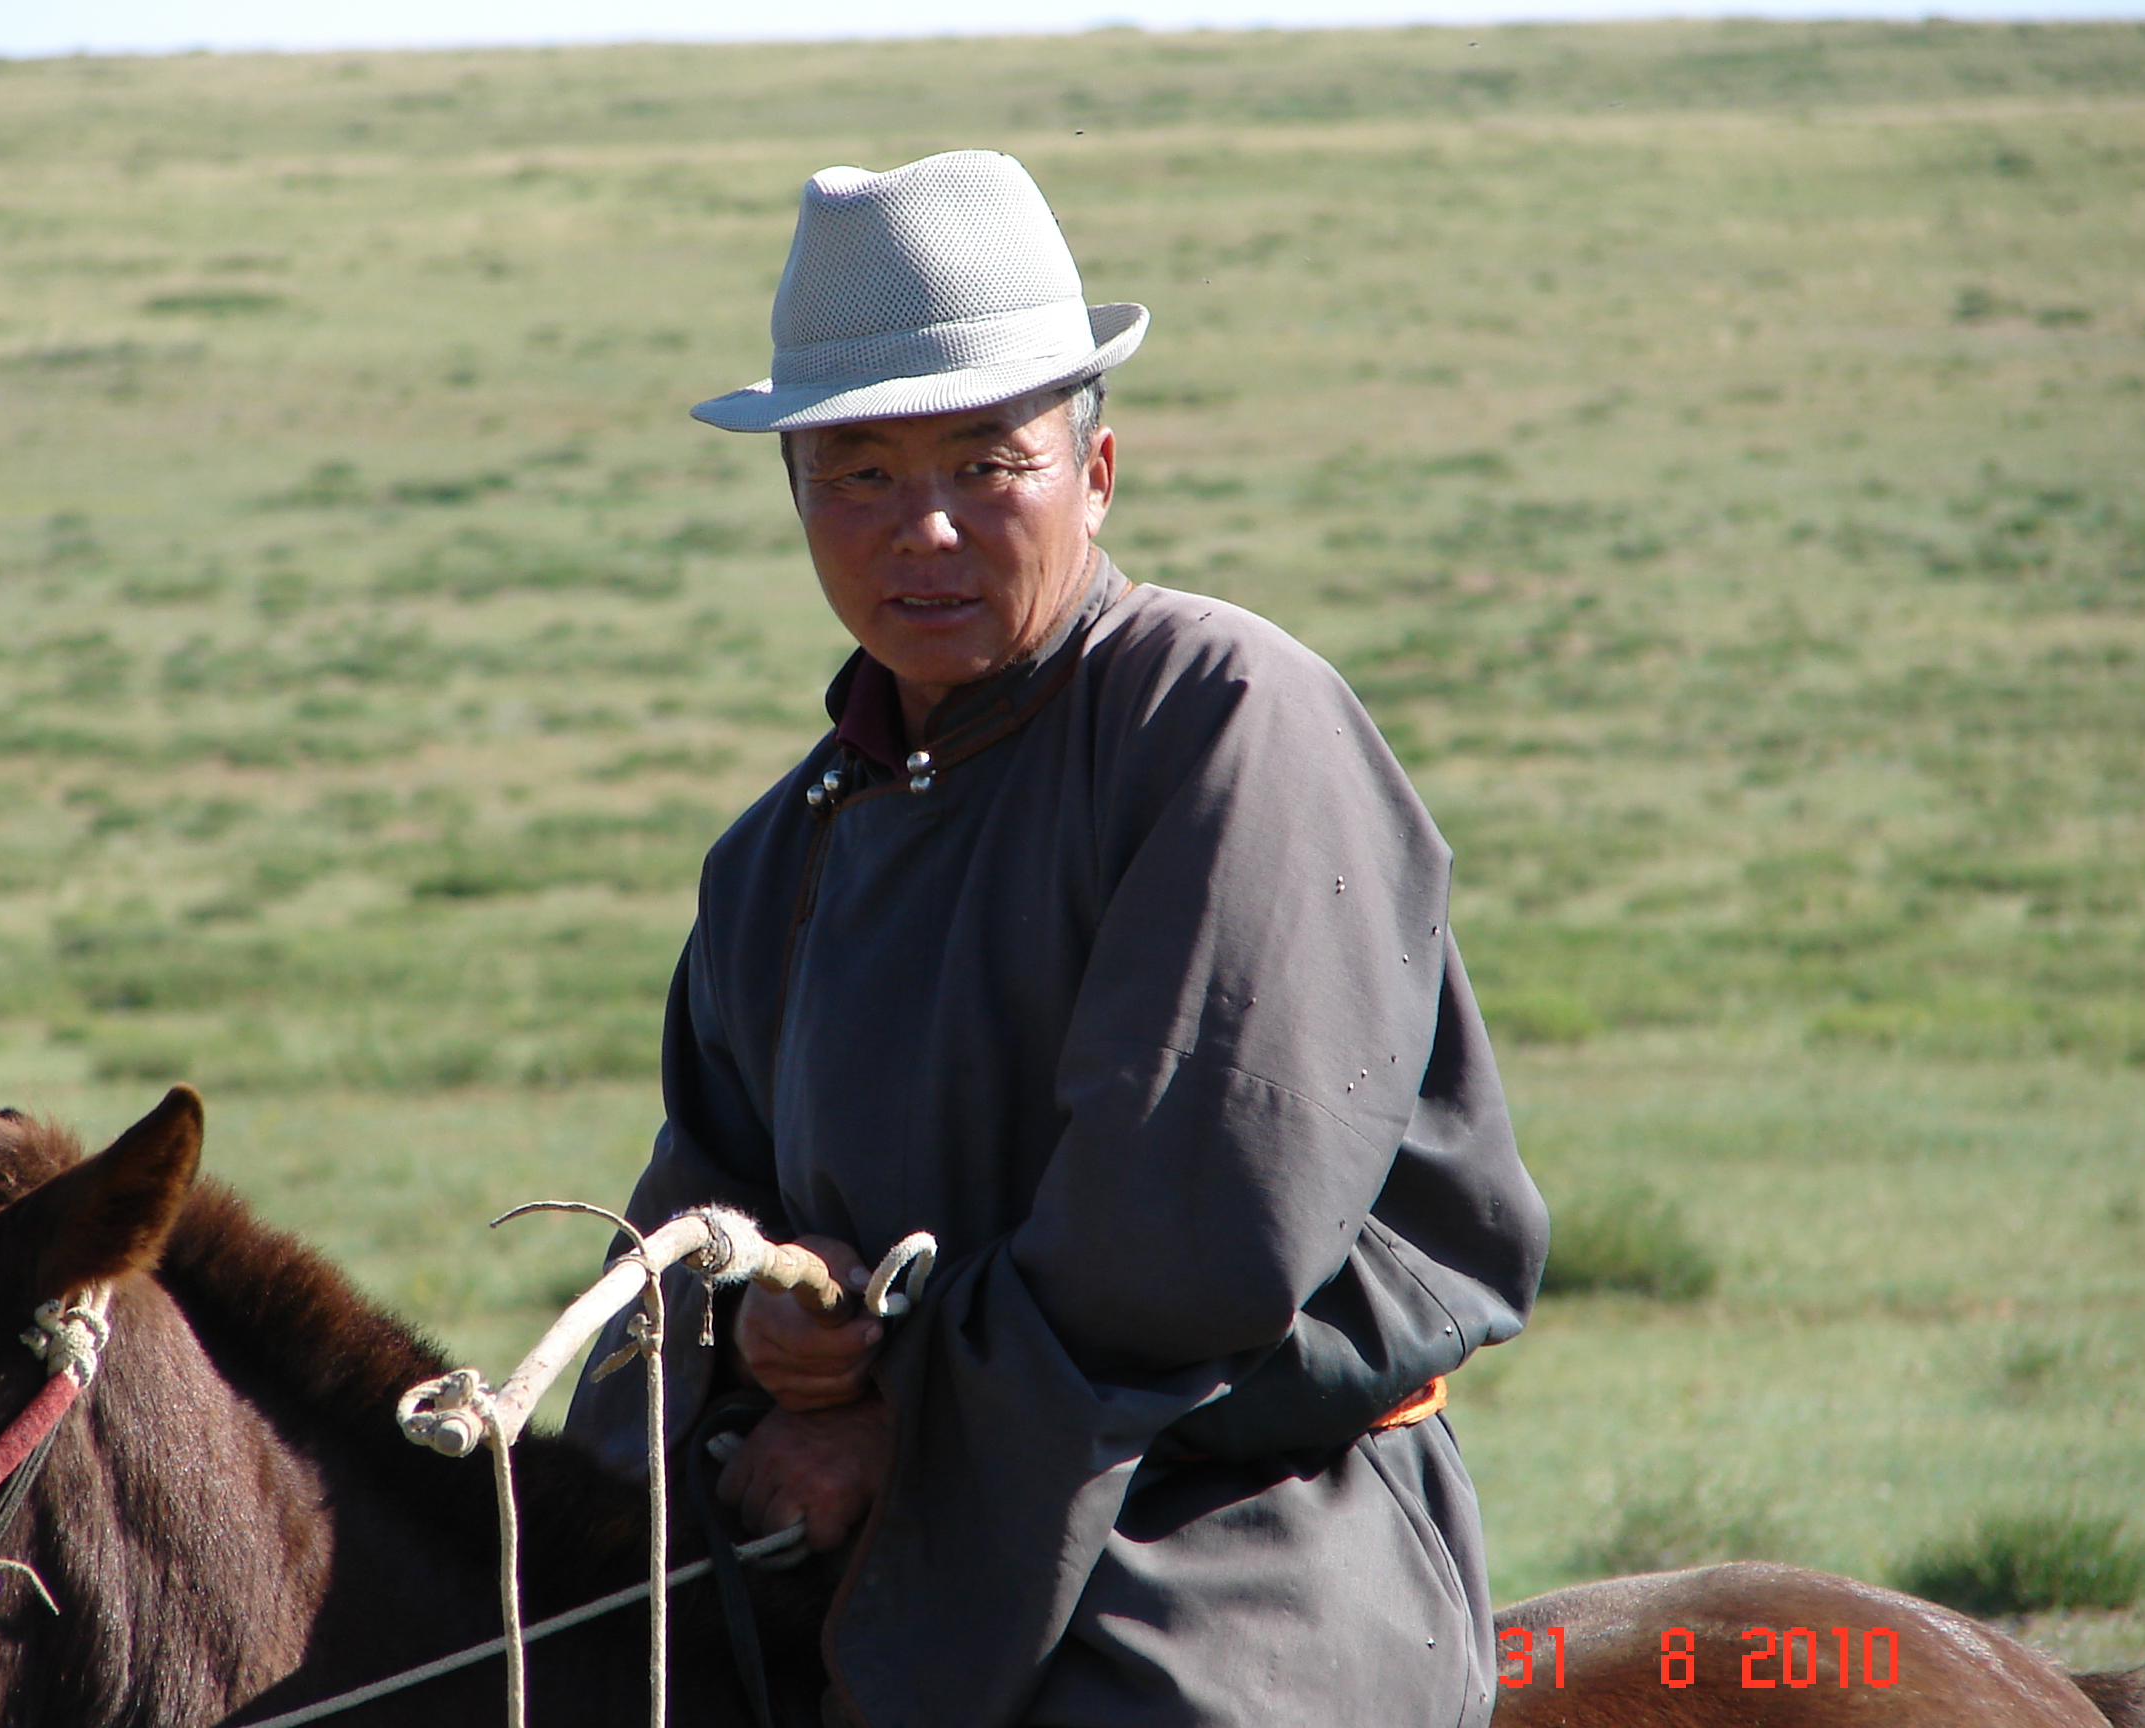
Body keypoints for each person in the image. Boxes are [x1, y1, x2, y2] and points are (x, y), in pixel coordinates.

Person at [563, 149, 1550, 1728]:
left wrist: (901, 1419)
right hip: (883, 1526)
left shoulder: (1226, 722)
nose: (925, 531)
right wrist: (757, 1344)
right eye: (862, 476)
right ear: (798, 499)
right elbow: (688, 1228)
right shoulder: (776, 854)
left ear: (1096, 473)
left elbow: (1191, 1240)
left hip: (1232, 1549)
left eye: (986, 465)